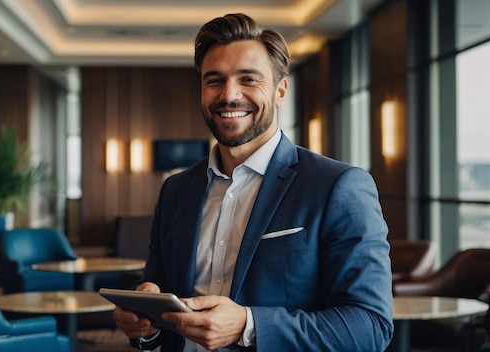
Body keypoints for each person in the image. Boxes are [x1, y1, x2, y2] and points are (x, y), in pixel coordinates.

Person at [113, 13, 394, 351]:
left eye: (248, 79)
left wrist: (249, 324)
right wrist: (145, 324)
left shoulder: (338, 185)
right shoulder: (176, 190)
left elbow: (370, 327)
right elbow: (159, 296)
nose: (229, 95)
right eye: (214, 80)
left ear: (280, 91)